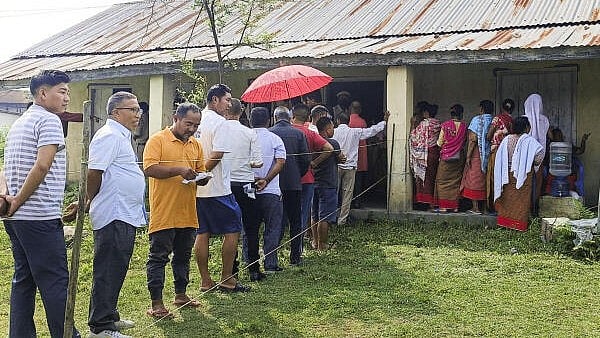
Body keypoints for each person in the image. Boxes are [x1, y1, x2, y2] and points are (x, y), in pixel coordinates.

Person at [1, 70, 81, 338]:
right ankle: (68, 335)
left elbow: (5, 169)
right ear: (43, 93)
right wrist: (18, 201)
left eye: (68, 92)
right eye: (62, 91)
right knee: (55, 281)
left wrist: (9, 201)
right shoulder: (48, 121)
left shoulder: (20, 123)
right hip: (38, 217)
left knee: (23, 280)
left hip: (17, 219)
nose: (67, 97)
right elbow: (43, 164)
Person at [85, 92, 146, 337]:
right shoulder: (109, 136)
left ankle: (108, 315)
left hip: (124, 213)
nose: (138, 114)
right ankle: (100, 327)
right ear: (115, 113)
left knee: (116, 267)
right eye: (132, 110)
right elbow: (94, 173)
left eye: (138, 110)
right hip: (113, 212)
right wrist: (90, 200)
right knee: (108, 268)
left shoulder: (121, 137)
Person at [144, 102, 208, 319]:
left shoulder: (195, 145)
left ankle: (181, 295)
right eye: (188, 124)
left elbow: (200, 172)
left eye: (196, 125)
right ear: (176, 118)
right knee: (158, 257)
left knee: (183, 256)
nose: (191, 129)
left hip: (188, 212)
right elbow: (150, 168)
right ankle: (157, 303)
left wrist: (202, 178)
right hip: (164, 212)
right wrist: (178, 170)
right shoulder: (158, 140)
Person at [194, 84, 250, 292]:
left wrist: (196, 177)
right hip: (217, 187)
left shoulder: (197, 119)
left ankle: (205, 281)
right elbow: (217, 154)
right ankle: (227, 277)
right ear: (215, 100)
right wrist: (203, 174)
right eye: (227, 100)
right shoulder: (220, 122)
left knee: (203, 232)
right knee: (233, 230)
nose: (229, 104)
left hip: (199, 190)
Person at [225, 98, 264, 282]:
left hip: (225, 185)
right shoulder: (249, 133)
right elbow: (258, 162)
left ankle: (231, 270)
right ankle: (254, 269)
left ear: (225, 112)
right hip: (246, 184)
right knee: (251, 227)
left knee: (229, 229)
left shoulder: (219, 131)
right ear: (241, 113)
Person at [269, 106, 310, 270]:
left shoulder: (269, 133)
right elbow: (305, 160)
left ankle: (272, 256)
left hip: (273, 183)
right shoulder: (299, 134)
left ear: (275, 117)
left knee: (275, 221)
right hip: (294, 183)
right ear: (290, 117)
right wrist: (298, 174)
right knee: (295, 220)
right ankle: (295, 256)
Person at [291, 103, 333, 262]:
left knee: (288, 213)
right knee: (304, 212)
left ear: (292, 116)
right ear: (308, 118)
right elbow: (328, 148)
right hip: (307, 178)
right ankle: (299, 246)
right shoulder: (310, 133)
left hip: (286, 179)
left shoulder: (285, 132)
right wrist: (313, 163)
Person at [333, 111, 388, 225]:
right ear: (349, 122)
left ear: (337, 121)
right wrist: (384, 122)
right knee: (347, 194)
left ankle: (331, 218)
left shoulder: (332, 132)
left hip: (336, 166)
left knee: (333, 192)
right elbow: (371, 131)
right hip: (350, 167)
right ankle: (342, 219)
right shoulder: (354, 132)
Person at [249, 107, 286, 274]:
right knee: (272, 228)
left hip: (248, 188)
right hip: (271, 190)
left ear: (250, 120)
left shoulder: (245, 137)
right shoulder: (275, 139)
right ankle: (270, 263)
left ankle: (249, 261)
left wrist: (253, 178)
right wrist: (267, 179)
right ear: (269, 120)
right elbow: (280, 162)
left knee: (249, 228)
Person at [494, 116, 544, 231]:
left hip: (506, 175)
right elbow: (539, 155)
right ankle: (518, 225)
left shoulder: (507, 139)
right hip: (524, 177)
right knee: (521, 201)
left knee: (507, 199)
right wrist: (530, 163)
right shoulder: (530, 141)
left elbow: (500, 156)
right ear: (527, 127)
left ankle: (505, 223)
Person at [312, 117, 345, 250]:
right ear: (327, 130)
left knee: (314, 214)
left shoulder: (313, 142)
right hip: (328, 183)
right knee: (324, 217)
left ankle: (315, 241)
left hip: (314, 182)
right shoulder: (332, 143)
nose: (333, 130)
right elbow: (341, 158)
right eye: (332, 128)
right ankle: (323, 245)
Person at [460, 100, 493, 214]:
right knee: (485, 180)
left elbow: (473, 139)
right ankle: (485, 207)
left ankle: (475, 208)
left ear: (482, 109)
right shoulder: (493, 120)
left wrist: (468, 156)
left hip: (477, 154)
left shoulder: (477, 120)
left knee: (474, 179)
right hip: (490, 154)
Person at [434, 104, 467, 213]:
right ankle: (454, 206)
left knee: (442, 181)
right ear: (461, 114)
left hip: (446, 157)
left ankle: (444, 206)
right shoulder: (464, 126)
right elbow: (464, 142)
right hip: (459, 157)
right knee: (456, 181)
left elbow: (439, 143)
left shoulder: (445, 125)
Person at [410, 103, 441, 211]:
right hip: (435, 152)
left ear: (426, 113)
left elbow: (415, 137)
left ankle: (426, 203)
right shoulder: (438, 123)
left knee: (424, 179)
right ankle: (432, 201)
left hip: (425, 154)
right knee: (432, 178)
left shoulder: (424, 124)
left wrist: (412, 125)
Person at [486, 98, 514, 212]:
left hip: (496, 150)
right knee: (503, 177)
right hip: (506, 152)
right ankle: (503, 205)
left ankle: (492, 205)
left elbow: (488, 136)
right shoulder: (512, 121)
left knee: (493, 177)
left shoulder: (497, 119)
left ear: (502, 107)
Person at [523, 93, 550, 211]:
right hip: (540, 155)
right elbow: (551, 136)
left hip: (525, 156)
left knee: (525, 181)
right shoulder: (544, 120)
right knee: (537, 182)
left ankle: (525, 207)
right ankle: (535, 207)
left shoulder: (523, 118)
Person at [348, 101, 368, 208]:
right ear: (359, 110)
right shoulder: (362, 122)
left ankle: (348, 202)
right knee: (359, 180)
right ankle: (358, 201)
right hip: (361, 154)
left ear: (350, 108)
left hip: (349, 153)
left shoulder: (348, 121)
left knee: (348, 181)